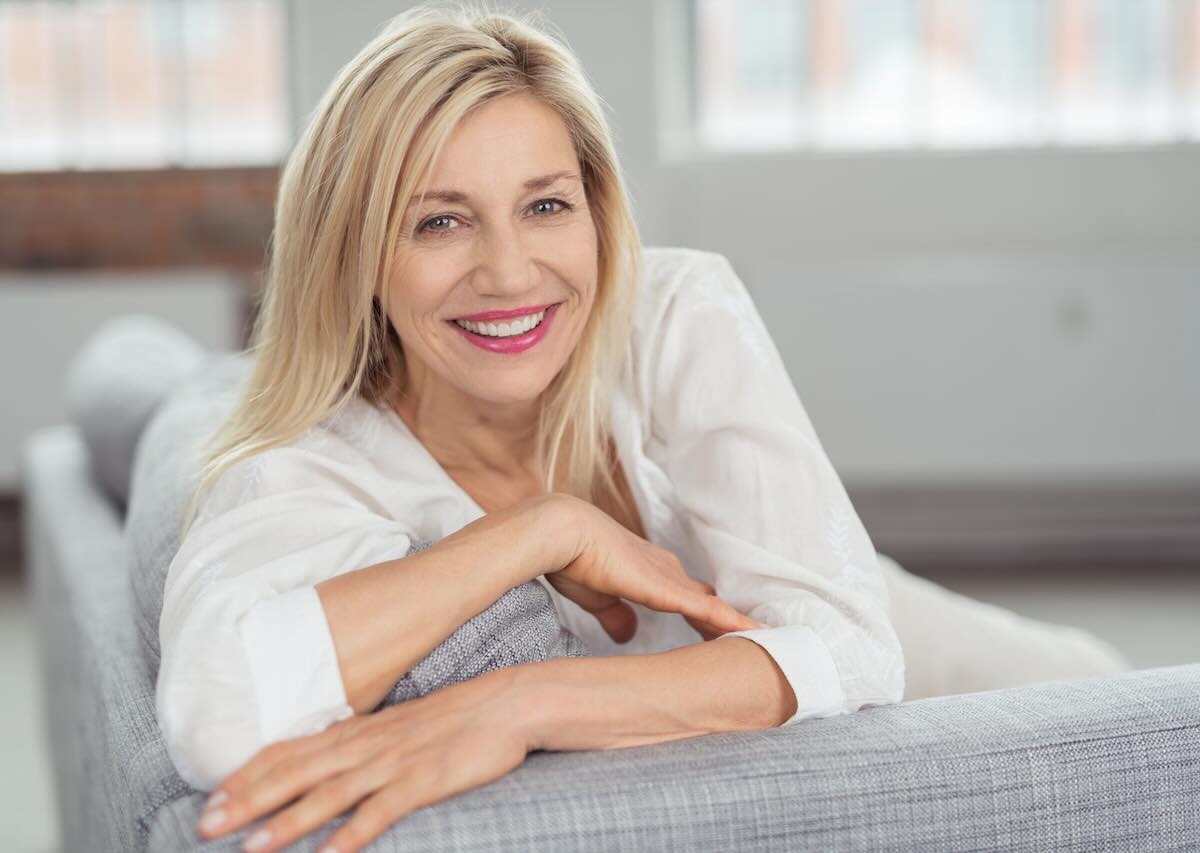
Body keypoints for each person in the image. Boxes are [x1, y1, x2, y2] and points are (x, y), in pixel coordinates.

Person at [157, 4, 1132, 852]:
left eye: (545, 206)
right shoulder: (316, 465)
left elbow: (850, 642)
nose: (508, 272)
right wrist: (541, 529)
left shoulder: (672, 310)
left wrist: (521, 703)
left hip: (857, 592)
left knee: (1114, 705)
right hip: (787, 672)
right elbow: (215, 716)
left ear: (596, 214)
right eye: (439, 223)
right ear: (358, 254)